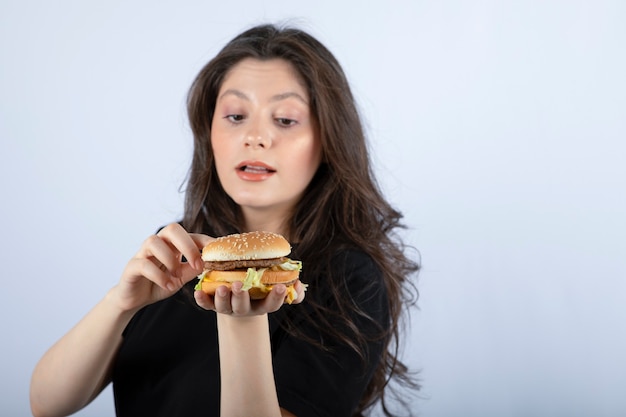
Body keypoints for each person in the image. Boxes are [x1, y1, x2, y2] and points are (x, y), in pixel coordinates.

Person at [30, 23, 420, 417]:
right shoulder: (177, 253)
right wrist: (121, 304)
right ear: (209, 132)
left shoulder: (352, 280)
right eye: (235, 115)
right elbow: (46, 405)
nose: (255, 137)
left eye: (285, 120)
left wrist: (240, 321)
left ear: (328, 139)